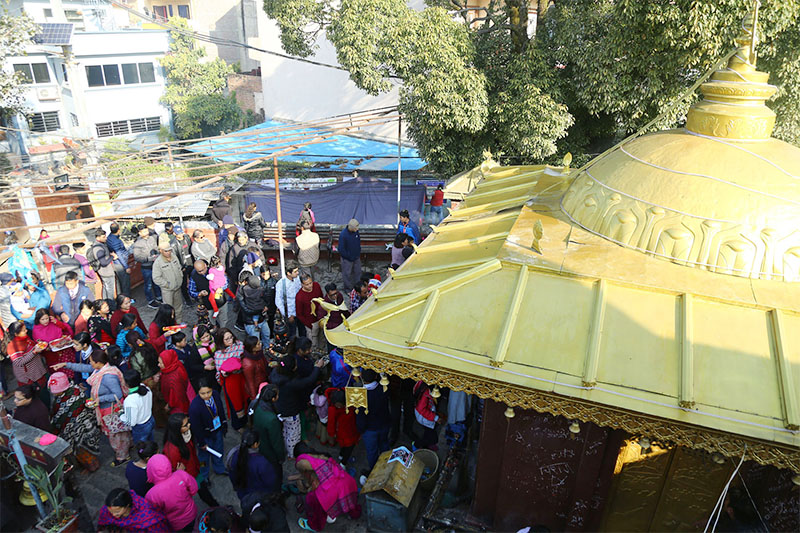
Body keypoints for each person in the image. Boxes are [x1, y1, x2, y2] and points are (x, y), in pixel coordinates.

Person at [55, 349, 132, 466]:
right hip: (104, 408)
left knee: (116, 435)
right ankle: (127, 446)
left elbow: (118, 394)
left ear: (98, 363)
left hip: (111, 410)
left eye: (91, 361)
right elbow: (83, 368)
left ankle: (122, 456)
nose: (89, 363)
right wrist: (66, 365)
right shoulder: (100, 369)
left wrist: (100, 399)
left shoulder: (108, 377)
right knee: (119, 433)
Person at [293, 443, 361, 532]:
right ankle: (354, 513)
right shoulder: (323, 457)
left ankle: (315, 525)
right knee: (349, 499)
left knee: (312, 500)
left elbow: (310, 482)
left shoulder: (303, 462)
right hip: (348, 483)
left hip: (332, 492)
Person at [271, 355, 325, 458]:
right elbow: (309, 380)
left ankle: (285, 446)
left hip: (278, 408)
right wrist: (317, 368)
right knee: (293, 434)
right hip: (290, 411)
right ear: (292, 369)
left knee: (284, 430)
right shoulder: (292, 383)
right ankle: (292, 454)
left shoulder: (275, 374)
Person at [162, 413, 219, 507]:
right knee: (201, 492)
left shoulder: (186, 435)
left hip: (195, 469)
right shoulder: (172, 450)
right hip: (188, 477)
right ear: (177, 429)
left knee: (204, 491)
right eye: (185, 425)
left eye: (188, 422)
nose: (189, 425)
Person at [48, 371, 102, 471]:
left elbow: (59, 419)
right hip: (86, 426)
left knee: (82, 450)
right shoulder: (76, 389)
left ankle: (93, 467)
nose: (53, 392)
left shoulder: (63, 401)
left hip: (78, 430)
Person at [145, 453, 198, 532]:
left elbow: (155, 513)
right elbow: (194, 489)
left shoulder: (151, 494)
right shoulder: (181, 474)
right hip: (191, 515)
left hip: (174, 524)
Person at [188, 376, 227, 479]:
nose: (206, 396)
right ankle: (204, 475)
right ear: (198, 392)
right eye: (203, 393)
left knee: (219, 450)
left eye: (208, 392)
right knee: (203, 458)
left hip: (217, 429)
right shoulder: (194, 407)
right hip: (205, 436)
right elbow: (196, 428)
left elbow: (221, 410)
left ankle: (219, 468)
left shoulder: (215, 395)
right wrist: (201, 442)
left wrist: (224, 423)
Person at [228, 429, 279, 501]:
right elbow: (270, 481)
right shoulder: (262, 463)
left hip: (243, 495)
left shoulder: (232, 455)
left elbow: (232, 475)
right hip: (260, 496)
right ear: (255, 444)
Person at [356, 369, 391, 471]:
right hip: (384, 425)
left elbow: (360, 417)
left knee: (372, 452)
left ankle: (374, 471)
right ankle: (386, 466)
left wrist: (361, 430)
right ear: (376, 376)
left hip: (370, 430)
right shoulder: (383, 388)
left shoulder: (360, 396)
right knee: (384, 446)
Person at [249, 384, 285, 478]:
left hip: (259, 444)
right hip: (269, 451)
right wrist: (281, 457)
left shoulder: (254, 403)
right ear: (273, 399)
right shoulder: (271, 419)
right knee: (276, 473)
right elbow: (276, 442)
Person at [7, 321, 49, 401]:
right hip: (30, 377)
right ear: (16, 334)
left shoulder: (26, 338)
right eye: (23, 330)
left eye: (25, 329)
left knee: (44, 394)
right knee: (36, 398)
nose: (26, 331)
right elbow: (18, 362)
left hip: (38, 371)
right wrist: (34, 352)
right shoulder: (13, 346)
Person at [97, 488, 169, 533]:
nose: (113, 515)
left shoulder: (147, 514)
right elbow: (103, 524)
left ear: (127, 506)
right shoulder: (106, 510)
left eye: (117, 512)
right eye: (111, 512)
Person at [32, 309, 75, 379]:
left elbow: (64, 328)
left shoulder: (53, 322)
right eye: (43, 319)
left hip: (64, 351)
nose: (45, 321)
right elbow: (40, 343)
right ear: (38, 320)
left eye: (46, 318)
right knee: (58, 373)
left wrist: (57, 322)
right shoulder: (36, 329)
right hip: (51, 355)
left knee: (70, 368)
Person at [132, 224, 162, 309]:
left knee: (156, 281)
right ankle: (151, 301)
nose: (146, 232)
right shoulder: (137, 243)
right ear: (140, 233)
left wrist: (157, 254)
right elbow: (137, 257)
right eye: (144, 231)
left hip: (155, 265)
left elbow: (156, 248)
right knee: (148, 285)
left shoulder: (152, 238)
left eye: (146, 230)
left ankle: (159, 297)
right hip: (146, 267)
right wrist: (149, 259)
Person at [152, 241, 184, 322]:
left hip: (177, 287)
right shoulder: (158, 262)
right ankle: (170, 325)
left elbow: (179, 268)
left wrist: (181, 278)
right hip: (167, 290)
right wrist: (167, 284)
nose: (168, 252)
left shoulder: (174, 257)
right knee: (168, 309)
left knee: (178, 307)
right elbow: (156, 278)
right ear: (161, 251)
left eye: (169, 250)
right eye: (166, 251)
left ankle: (179, 322)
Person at [121, 368, 155, 442]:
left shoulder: (130, 400)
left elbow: (131, 422)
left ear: (127, 384)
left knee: (142, 448)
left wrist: (121, 415)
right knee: (150, 442)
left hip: (141, 427)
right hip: (150, 419)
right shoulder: (146, 388)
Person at [326, 388, 359, 464]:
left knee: (346, 446)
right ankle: (343, 462)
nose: (338, 406)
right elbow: (331, 423)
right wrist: (332, 433)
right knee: (349, 446)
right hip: (343, 432)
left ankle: (342, 455)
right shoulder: (332, 409)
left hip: (352, 428)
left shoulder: (350, 403)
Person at [295, 274, 325, 353]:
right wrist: (309, 325)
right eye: (307, 284)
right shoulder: (299, 296)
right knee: (313, 343)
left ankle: (322, 352)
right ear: (302, 284)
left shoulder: (317, 286)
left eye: (310, 283)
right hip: (310, 323)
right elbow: (299, 314)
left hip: (320, 318)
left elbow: (321, 299)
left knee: (322, 338)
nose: (310, 286)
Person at [239, 274, 270, 347]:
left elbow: (267, 299)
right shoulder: (242, 291)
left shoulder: (247, 290)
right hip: (251, 322)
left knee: (266, 335)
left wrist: (266, 306)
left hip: (261, 319)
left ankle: (267, 349)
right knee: (255, 342)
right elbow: (245, 310)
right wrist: (261, 309)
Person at [413, 381, 445, 450]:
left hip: (428, 414)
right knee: (430, 434)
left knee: (429, 432)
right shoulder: (425, 395)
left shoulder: (427, 391)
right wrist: (435, 418)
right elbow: (422, 411)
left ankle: (428, 445)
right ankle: (416, 444)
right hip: (424, 417)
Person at [219, 357, 248, 430]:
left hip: (236, 392)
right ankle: (238, 426)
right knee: (235, 409)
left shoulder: (227, 375)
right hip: (234, 394)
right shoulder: (233, 376)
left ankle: (240, 424)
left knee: (236, 408)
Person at [274, 262, 301, 338]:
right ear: (289, 273)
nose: (297, 273)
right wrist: (289, 315)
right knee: (292, 334)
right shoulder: (281, 284)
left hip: (300, 311)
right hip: (290, 314)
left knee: (302, 332)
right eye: (295, 272)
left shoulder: (297, 279)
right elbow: (279, 301)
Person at [159, 349, 190, 414]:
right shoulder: (176, 364)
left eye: (161, 363)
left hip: (179, 405)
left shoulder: (173, 379)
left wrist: (169, 405)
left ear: (167, 362)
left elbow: (175, 396)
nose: (158, 365)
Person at [107, 222, 132, 298]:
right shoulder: (116, 241)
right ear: (118, 230)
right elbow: (119, 254)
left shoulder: (109, 238)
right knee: (125, 283)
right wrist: (126, 266)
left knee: (121, 283)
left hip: (116, 263)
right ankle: (126, 299)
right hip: (120, 264)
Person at [92, 229, 118, 299]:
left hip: (104, 272)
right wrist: (112, 256)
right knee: (110, 291)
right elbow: (103, 263)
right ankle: (110, 307)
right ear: (98, 237)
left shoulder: (99, 245)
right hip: (106, 272)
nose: (105, 238)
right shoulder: (98, 248)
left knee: (106, 289)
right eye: (103, 237)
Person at [338, 219, 361, 292]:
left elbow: (358, 242)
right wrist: (348, 256)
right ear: (351, 228)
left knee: (358, 272)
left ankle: (358, 287)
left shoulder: (356, 232)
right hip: (347, 259)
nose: (357, 229)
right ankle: (348, 289)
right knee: (347, 274)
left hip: (356, 257)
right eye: (355, 228)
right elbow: (341, 249)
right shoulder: (343, 235)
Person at [241, 336, 268, 400]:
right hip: (257, 387)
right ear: (253, 348)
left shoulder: (259, 353)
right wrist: (254, 398)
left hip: (263, 381)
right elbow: (250, 382)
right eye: (258, 344)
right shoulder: (248, 364)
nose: (261, 344)